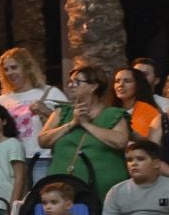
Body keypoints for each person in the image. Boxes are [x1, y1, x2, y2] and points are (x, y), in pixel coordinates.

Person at [38, 64, 131, 203]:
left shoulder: (113, 114)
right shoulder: (62, 112)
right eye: (70, 82)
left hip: (103, 193)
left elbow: (120, 141)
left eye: (76, 82)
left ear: (93, 86)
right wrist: (72, 123)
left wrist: (86, 124)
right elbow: (43, 140)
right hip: (62, 193)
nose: (71, 85)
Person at [0, 47, 65, 180]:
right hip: (12, 161)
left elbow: (69, 123)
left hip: (42, 159)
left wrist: (47, 112)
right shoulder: (2, 100)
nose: (10, 73)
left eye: (14, 67)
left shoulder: (51, 93)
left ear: (27, 67)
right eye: (6, 69)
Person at [113, 68, 162, 145]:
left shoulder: (148, 110)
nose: (120, 85)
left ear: (138, 85)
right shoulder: (110, 110)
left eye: (127, 81)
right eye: (117, 81)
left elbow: (147, 139)